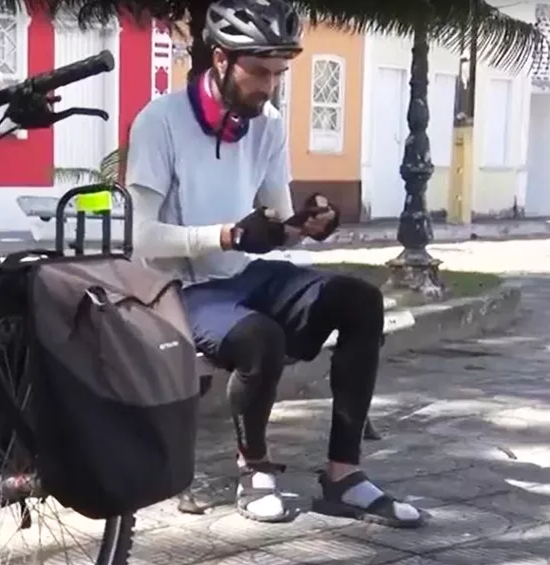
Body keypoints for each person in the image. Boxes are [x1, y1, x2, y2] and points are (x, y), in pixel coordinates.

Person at [124, 0, 423, 528]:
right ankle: (254, 469)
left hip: (246, 274)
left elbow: (277, 218)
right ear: (219, 59)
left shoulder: (268, 124)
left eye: (279, 73)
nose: (270, 86)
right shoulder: (161, 122)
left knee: (360, 301)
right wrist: (227, 234)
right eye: (258, 72)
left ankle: (343, 475)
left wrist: (309, 224)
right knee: (259, 337)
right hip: (179, 287)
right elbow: (140, 235)